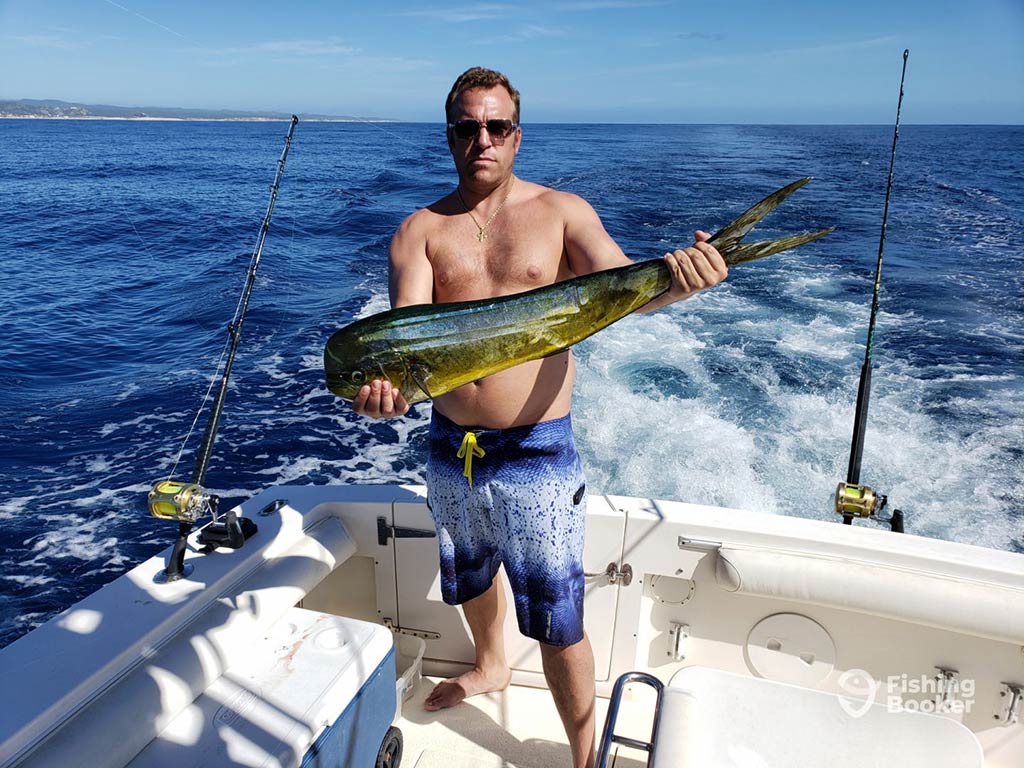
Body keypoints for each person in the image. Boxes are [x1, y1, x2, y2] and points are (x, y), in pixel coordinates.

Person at [352, 66, 727, 768]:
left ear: (517, 136)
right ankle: (490, 662)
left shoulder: (562, 213)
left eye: (496, 127)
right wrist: (387, 397)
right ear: (450, 137)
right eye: (468, 128)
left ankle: (584, 755)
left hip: (537, 450)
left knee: (557, 617)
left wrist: (684, 280)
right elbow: (402, 342)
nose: (482, 140)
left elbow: (626, 289)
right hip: (450, 444)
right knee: (467, 575)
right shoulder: (418, 233)